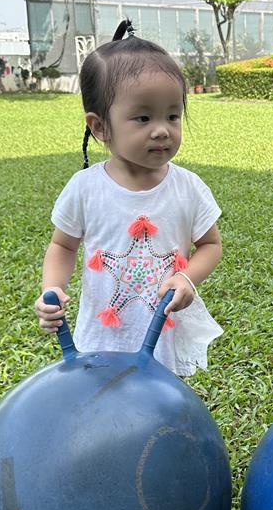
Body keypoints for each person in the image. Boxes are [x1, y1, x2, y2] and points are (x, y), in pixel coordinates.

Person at [34, 19, 223, 376]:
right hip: (101, 338)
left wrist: (187, 279)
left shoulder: (188, 187)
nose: (162, 130)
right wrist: (52, 289)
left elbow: (210, 245)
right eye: (143, 117)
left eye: (172, 116)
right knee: (103, 403)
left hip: (163, 338)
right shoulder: (85, 188)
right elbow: (62, 246)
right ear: (100, 126)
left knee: (161, 403)